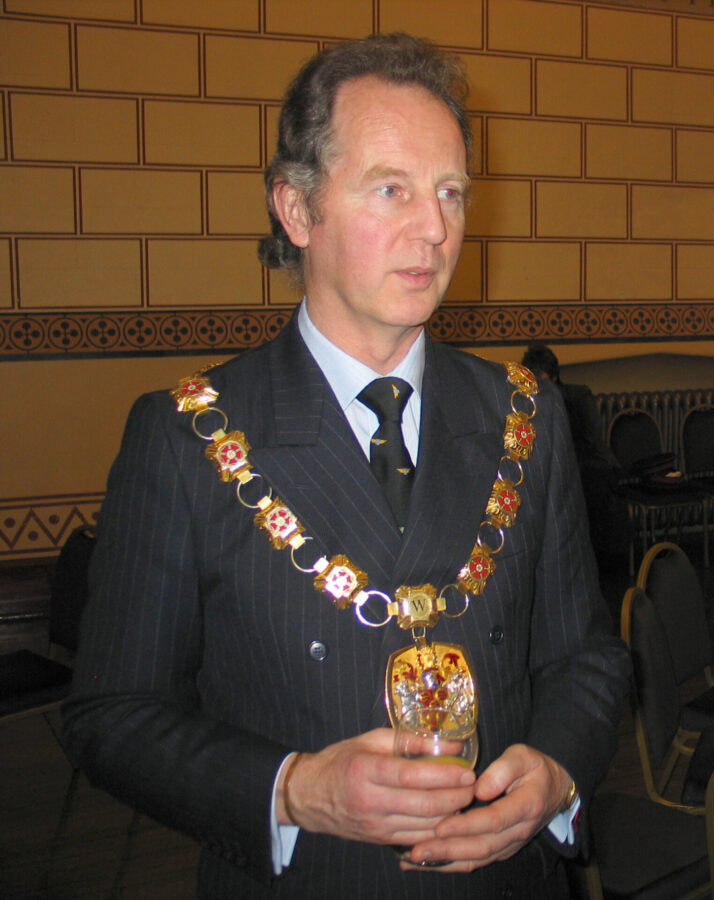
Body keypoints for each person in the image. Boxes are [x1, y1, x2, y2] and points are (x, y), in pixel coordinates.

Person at [62, 33, 630, 898]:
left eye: (449, 193)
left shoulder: (525, 415)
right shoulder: (189, 437)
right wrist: (293, 790)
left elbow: (584, 658)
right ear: (296, 210)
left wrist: (555, 774)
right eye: (391, 189)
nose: (435, 228)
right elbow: (111, 715)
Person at [520, 342, 625, 562]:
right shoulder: (525, 403)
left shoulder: (576, 397)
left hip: (582, 463)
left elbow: (592, 441)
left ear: (554, 377)